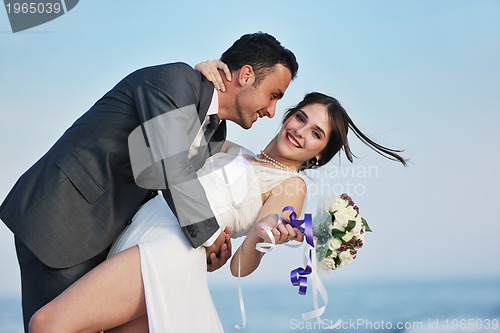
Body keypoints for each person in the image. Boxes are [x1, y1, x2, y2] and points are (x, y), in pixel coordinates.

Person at [28, 75, 408, 332]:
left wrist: (263, 236)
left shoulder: (291, 185)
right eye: (300, 117)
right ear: (288, 115)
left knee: (48, 324)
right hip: (137, 233)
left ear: (318, 155)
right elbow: (177, 139)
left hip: (167, 251)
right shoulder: (231, 147)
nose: (299, 131)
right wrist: (200, 72)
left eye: (315, 134)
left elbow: (241, 266)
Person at [0, 32, 299, 332]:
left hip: (111, 238)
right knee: (52, 325)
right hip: (66, 217)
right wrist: (208, 237)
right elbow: (170, 165)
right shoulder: (175, 81)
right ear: (246, 75)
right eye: (274, 95)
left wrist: (206, 249)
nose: (272, 111)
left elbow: (161, 189)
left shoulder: (215, 133)